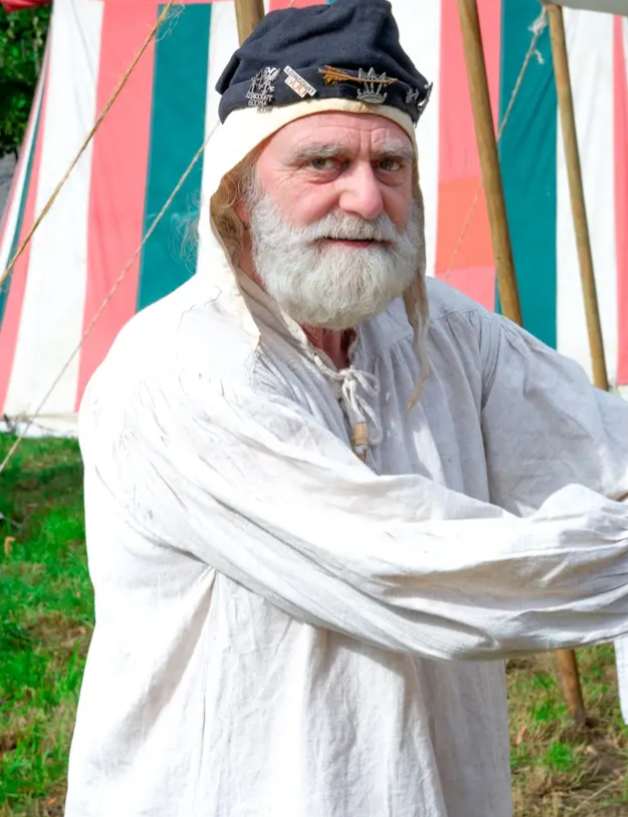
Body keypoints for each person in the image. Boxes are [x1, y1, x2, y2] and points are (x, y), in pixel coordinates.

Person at [65, 1, 628, 815]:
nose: (366, 198)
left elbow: (604, 448)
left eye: (390, 164)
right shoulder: (176, 372)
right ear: (238, 193)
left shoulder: (444, 333)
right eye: (323, 161)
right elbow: (410, 569)